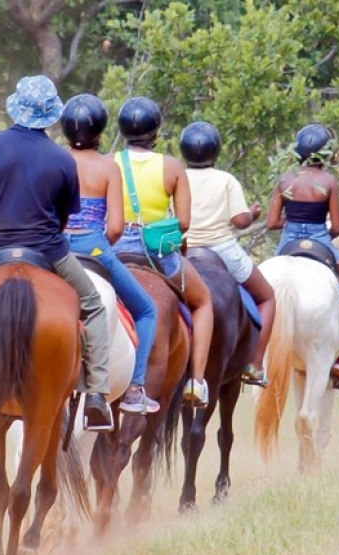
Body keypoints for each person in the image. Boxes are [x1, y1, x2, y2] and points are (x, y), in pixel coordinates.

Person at [0, 75, 113, 430]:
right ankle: (96, 396)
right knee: (92, 305)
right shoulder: (62, 160)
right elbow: (62, 219)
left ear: (15, 107)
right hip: (47, 250)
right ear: (51, 116)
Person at [60, 93, 161, 414]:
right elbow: (115, 227)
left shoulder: (54, 160)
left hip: (55, 247)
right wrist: (99, 242)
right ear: (101, 132)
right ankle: (134, 389)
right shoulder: (108, 167)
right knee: (146, 311)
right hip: (94, 247)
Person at [111, 97, 213, 408]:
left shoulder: (108, 162)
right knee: (204, 301)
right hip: (155, 253)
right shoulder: (171, 167)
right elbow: (183, 223)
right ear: (155, 133)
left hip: (112, 249)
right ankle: (196, 381)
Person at [266, 123, 339, 387]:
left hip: (287, 244)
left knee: (256, 292)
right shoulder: (328, 182)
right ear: (326, 156)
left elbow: (270, 223)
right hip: (320, 243)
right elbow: (337, 228)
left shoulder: (285, 180)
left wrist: (291, 222)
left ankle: (252, 356)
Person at [178, 121, 275, 387]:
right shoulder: (226, 180)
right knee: (267, 297)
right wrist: (252, 213)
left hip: (184, 249)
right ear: (216, 151)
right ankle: (255, 365)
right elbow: (241, 222)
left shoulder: (177, 176)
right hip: (222, 249)